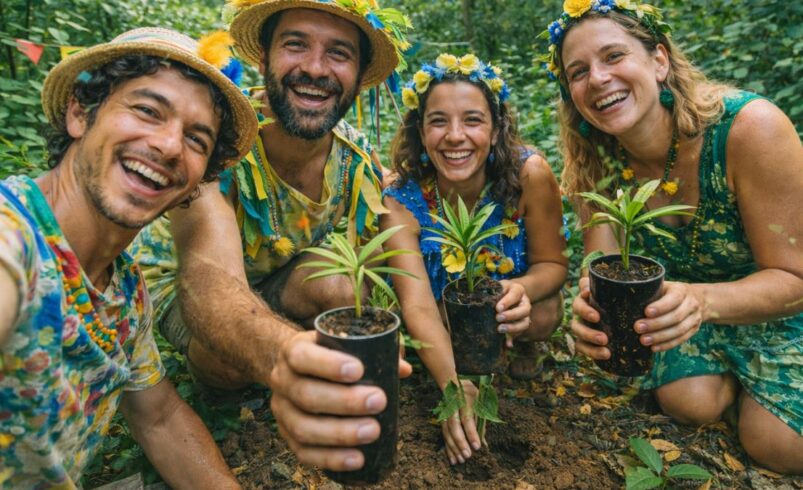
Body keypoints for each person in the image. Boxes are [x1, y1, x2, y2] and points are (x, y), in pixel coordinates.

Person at [130, 0, 412, 472]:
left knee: (345, 288)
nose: (315, 69)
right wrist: (283, 353)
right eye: (295, 44)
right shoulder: (217, 139)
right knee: (228, 360)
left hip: (277, 276)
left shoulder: (355, 155)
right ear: (263, 57)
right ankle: (248, 380)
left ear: (360, 75)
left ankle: (299, 366)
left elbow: (392, 232)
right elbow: (207, 277)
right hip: (182, 287)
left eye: (339, 53)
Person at [543, 0, 803, 474]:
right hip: (682, 310)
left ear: (659, 60)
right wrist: (588, 307)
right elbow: (598, 265)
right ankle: (733, 389)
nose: (597, 79)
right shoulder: (592, 163)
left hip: (777, 307)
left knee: (777, 445)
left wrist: (699, 301)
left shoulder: (749, 130)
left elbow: (796, 278)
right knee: (688, 402)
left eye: (614, 56)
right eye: (577, 72)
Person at [0, 27, 258, 487]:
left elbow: (158, 418)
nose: (169, 146)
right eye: (147, 111)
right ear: (81, 113)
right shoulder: (17, 237)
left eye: (197, 140)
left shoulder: (125, 291)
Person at [381, 54, 568, 465]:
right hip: (438, 313)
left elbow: (553, 265)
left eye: (472, 120)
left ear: (496, 128)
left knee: (544, 312)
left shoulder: (529, 175)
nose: (454, 136)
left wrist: (518, 289)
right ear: (419, 130)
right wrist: (455, 387)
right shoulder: (401, 197)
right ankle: (450, 356)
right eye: (438, 121)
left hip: (505, 312)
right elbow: (415, 302)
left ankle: (520, 349)